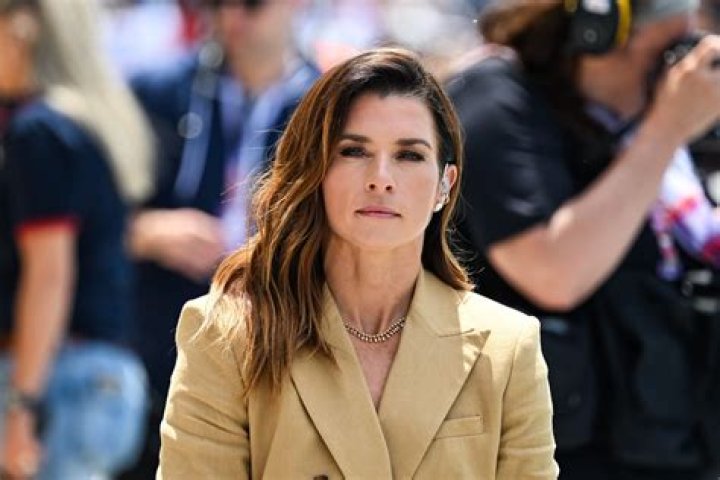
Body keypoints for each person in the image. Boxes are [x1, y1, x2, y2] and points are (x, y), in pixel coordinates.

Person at [157, 48, 559, 479]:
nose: (381, 178)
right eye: (353, 151)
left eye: (409, 155)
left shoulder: (507, 346)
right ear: (315, 170)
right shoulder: (227, 333)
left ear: (446, 184)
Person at [447, 0, 720, 478]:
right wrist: (666, 129)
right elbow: (553, 273)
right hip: (561, 456)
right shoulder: (496, 102)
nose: (681, 75)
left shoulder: (646, 128)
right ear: (600, 31)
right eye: (670, 52)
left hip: (672, 445)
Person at [125, 0, 319, 475]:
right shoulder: (157, 90)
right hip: (158, 340)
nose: (231, 17)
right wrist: (144, 230)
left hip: (278, 345)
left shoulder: (328, 107)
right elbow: (91, 214)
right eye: (215, 2)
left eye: (252, 4)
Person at [0, 0, 153, 478]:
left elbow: (49, 275)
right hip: (99, 377)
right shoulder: (85, 122)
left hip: (60, 379)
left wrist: (22, 405)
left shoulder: (38, 132)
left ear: (24, 30)